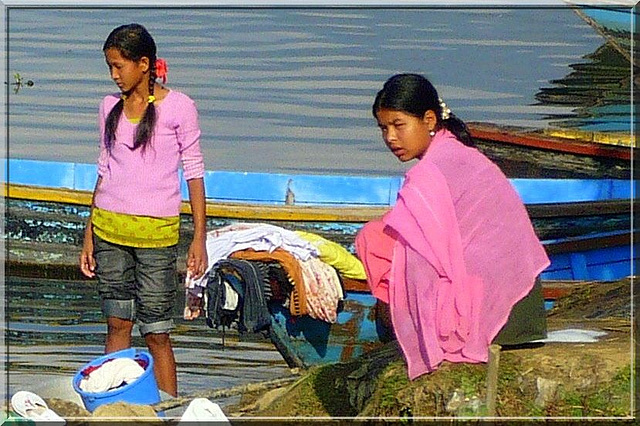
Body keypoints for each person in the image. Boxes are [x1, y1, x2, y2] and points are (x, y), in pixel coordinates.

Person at [355, 73, 550, 380]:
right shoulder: (460, 153)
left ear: (429, 120)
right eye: (383, 128)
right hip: (526, 310)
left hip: (498, 320)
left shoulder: (429, 173)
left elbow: (422, 260)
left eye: (398, 125)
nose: (390, 137)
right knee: (386, 234)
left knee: (373, 238)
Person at [79, 23, 208, 397]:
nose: (114, 75)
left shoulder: (179, 107)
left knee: (156, 332)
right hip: (109, 232)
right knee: (117, 322)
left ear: (144, 64)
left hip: (157, 237)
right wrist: (89, 234)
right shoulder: (109, 108)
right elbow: (104, 172)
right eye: (110, 68)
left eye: (119, 66)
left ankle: (168, 410)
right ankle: (110, 404)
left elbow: (194, 173)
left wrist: (198, 238)